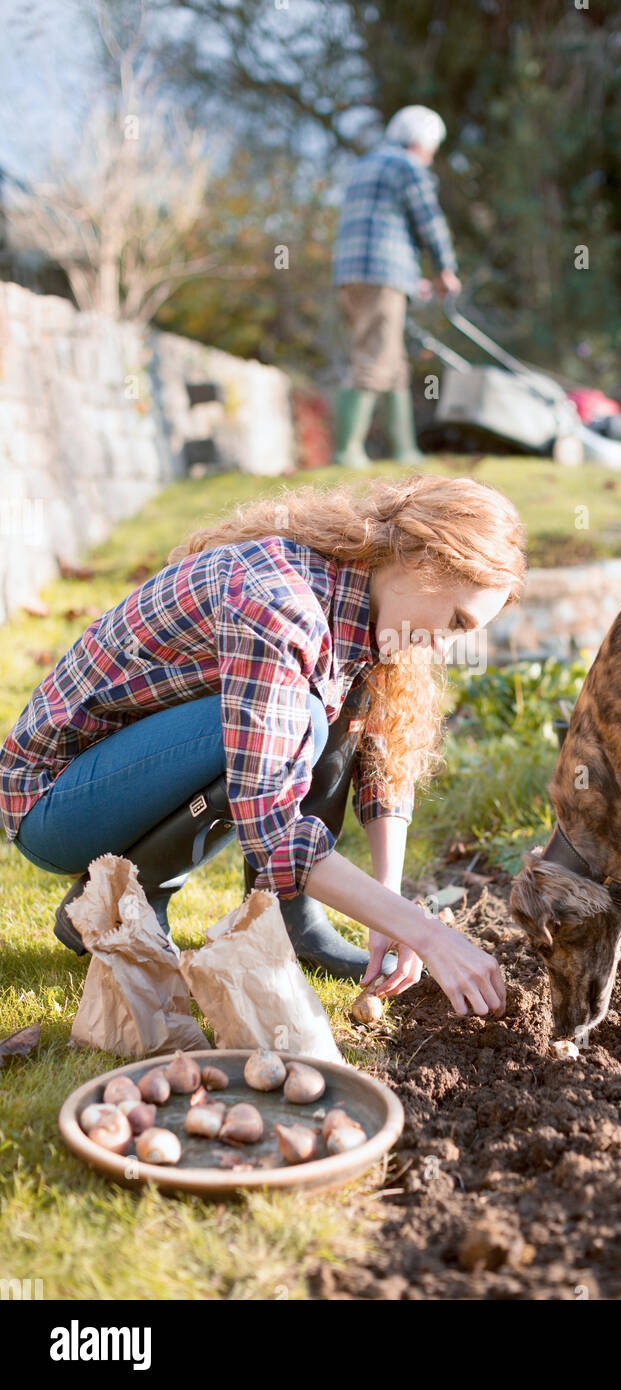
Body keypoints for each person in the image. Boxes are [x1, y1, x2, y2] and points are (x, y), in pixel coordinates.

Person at [0, 474, 523, 1015]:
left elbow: (381, 761)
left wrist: (390, 914)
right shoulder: (280, 604)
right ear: (420, 558)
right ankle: (124, 905)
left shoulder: (359, 608)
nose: (446, 645)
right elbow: (269, 821)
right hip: (55, 803)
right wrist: (431, 935)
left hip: (118, 780)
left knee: (329, 709)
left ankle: (289, 920)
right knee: (299, 718)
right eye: (455, 620)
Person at [331, 104, 462, 468]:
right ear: (423, 142)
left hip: (354, 274)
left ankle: (405, 450)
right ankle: (347, 451)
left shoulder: (365, 165)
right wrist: (444, 269)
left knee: (394, 361)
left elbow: (378, 228)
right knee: (374, 355)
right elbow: (428, 221)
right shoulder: (407, 167)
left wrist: (409, 280)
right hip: (381, 274)